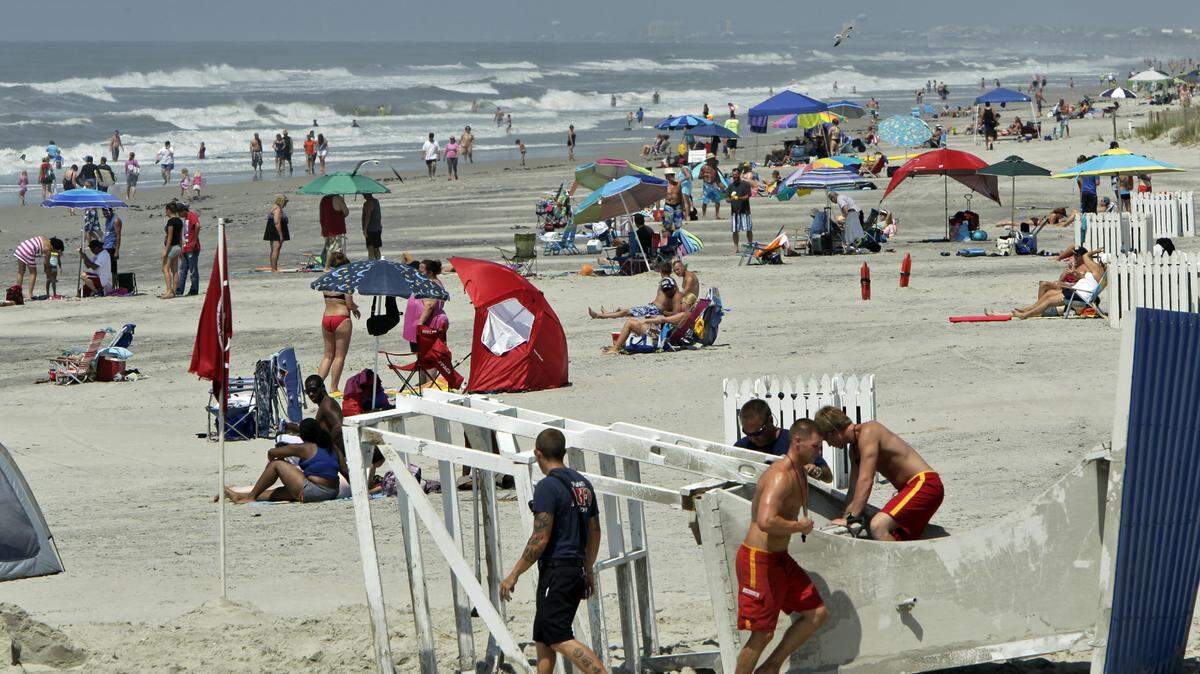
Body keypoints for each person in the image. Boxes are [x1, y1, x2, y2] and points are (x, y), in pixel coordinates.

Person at [499, 429, 607, 674]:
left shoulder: (547, 487)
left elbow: (539, 539)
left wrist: (513, 574)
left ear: (538, 454)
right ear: (564, 452)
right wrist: (587, 569)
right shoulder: (583, 484)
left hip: (557, 570)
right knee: (543, 636)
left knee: (558, 636)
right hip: (575, 569)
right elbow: (595, 530)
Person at [735, 419, 830, 673]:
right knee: (762, 634)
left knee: (816, 613)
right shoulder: (780, 476)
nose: (818, 453)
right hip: (758, 559)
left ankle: (770, 668)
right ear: (797, 442)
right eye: (815, 447)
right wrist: (799, 526)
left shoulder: (800, 470)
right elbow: (766, 521)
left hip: (779, 558)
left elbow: (828, 475)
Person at [815, 406, 943, 541]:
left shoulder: (869, 431)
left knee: (878, 526)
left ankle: (897, 563)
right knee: (896, 537)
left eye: (826, 440)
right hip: (909, 490)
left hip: (925, 484)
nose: (829, 445)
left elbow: (866, 480)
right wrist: (844, 517)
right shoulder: (854, 451)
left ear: (834, 432)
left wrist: (851, 518)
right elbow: (853, 488)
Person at [224, 419, 341, 504]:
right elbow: (345, 470)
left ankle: (251, 496)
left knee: (277, 464)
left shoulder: (304, 448)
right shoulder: (331, 446)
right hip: (333, 491)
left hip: (315, 491)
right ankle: (239, 497)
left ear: (302, 435)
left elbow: (272, 452)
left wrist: (270, 465)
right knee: (278, 493)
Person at [733, 400, 831, 481]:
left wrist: (816, 471)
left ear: (770, 420)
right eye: (747, 433)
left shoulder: (794, 442)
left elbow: (828, 476)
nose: (753, 438)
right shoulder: (741, 447)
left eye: (758, 432)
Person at [1011, 246, 1105, 319]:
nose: (1097, 262)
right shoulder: (1096, 273)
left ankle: (1025, 315)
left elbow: (1085, 255)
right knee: (1049, 294)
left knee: (1049, 300)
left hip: (1080, 296)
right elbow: (1085, 280)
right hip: (1077, 291)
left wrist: (1097, 251)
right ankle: (1028, 310)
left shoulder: (1097, 271)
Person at [284, 376, 348, 479]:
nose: (311, 394)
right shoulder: (323, 404)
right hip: (328, 452)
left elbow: (339, 426)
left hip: (333, 455)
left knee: (284, 450)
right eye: (307, 392)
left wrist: (327, 445)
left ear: (322, 388)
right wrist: (294, 428)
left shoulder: (327, 404)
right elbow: (317, 430)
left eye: (313, 390)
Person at [317, 252, 359, 393]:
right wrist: (355, 308)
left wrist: (332, 256)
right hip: (341, 319)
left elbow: (328, 262)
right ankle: (334, 387)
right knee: (339, 356)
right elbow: (349, 303)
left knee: (327, 355)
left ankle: (316, 386)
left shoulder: (326, 277)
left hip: (326, 317)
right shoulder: (346, 280)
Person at [589, 273, 680, 320]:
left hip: (654, 310)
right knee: (625, 310)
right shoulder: (673, 290)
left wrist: (665, 312)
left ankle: (599, 315)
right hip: (652, 308)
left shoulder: (675, 294)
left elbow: (672, 310)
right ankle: (607, 314)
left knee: (625, 312)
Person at [403, 259, 448, 352]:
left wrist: (420, 324)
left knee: (425, 354)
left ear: (430, 272)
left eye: (421, 270)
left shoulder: (431, 285)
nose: (418, 271)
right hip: (424, 323)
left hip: (427, 325)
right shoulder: (430, 282)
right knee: (426, 355)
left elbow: (430, 305)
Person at [176, 204, 201, 296]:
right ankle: (179, 289)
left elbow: (197, 226)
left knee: (193, 269)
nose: (179, 215)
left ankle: (194, 289)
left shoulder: (191, 215)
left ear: (183, 210)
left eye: (179, 213)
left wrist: (194, 241)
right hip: (185, 248)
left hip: (192, 248)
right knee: (183, 269)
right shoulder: (185, 219)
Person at [727, 166, 753, 253]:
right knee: (735, 230)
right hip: (735, 212)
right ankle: (736, 247)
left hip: (745, 211)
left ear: (739, 175)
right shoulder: (730, 186)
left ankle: (750, 244)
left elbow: (748, 195)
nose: (735, 177)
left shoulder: (745, 184)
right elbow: (727, 199)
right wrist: (732, 199)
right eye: (733, 176)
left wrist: (739, 198)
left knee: (748, 229)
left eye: (736, 176)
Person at [319, 194, 349, 269]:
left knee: (328, 246)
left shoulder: (323, 199)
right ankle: (327, 267)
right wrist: (343, 202)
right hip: (336, 228)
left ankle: (329, 264)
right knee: (334, 248)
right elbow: (346, 212)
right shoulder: (338, 198)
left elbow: (321, 215)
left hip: (325, 227)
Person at [161, 203, 183, 299]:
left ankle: (169, 291)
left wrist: (165, 251)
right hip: (178, 247)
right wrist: (181, 249)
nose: (165, 212)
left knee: (165, 269)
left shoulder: (171, 221)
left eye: (166, 210)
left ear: (169, 210)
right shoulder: (179, 221)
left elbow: (170, 237)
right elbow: (180, 237)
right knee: (175, 270)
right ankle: (173, 291)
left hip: (171, 248)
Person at [264, 195, 290, 272]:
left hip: (271, 230)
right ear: (282, 201)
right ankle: (274, 269)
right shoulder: (278, 209)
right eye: (285, 203)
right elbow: (277, 223)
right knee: (276, 249)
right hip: (275, 231)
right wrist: (281, 235)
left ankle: (273, 268)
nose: (286, 204)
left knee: (273, 250)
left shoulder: (273, 207)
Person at [100, 207, 122, 278]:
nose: (105, 216)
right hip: (105, 246)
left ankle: (114, 286)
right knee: (105, 267)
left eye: (106, 214)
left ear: (110, 211)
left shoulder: (116, 220)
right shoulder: (107, 219)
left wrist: (117, 251)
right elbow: (107, 232)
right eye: (103, 214)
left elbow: (118, 235)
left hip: (111, 246)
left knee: (113, 268)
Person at [700, 155, 723, 220]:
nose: (713, 160)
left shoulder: (715, 167)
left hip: (714, 184)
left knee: (717, 200)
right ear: (708, 160)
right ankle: (704, 215)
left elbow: (717, 177)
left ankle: (717, 215)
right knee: (705, 201)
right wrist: (705, 175)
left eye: (713, 159)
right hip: (706, 185)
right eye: (711, 159)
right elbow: (699, 176)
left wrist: (720, 183)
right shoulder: (703, 168)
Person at [361, 192, 382, 260]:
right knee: (376, 248)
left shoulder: (368, 203)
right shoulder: (376, 201)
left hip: (371, 229)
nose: (363, 196)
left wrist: (365, 229)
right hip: (377, 228)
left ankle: (371, 264)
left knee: (370, 248)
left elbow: (368, 216)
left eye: (364, 194)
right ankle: (378, 263)